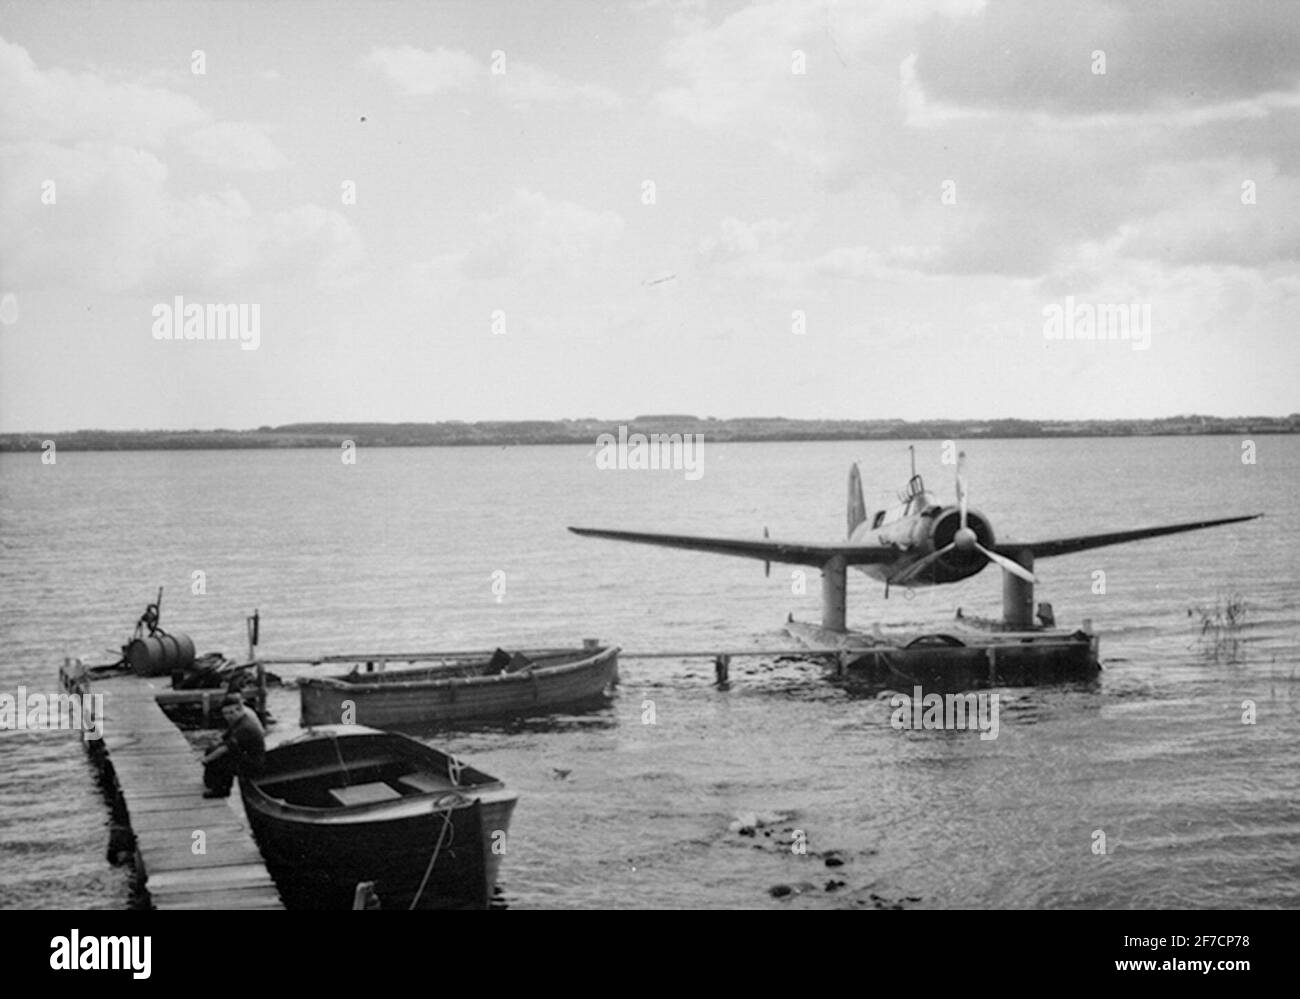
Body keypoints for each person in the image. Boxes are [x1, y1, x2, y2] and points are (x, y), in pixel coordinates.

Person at [201, 692, 266, 798]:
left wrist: (206, 760)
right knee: (213, 749)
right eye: (225, 713)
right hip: (244, 756)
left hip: (253, 764)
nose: (228, 716)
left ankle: (221, 790)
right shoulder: (238, 722)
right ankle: (211, 782)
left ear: (240, 710)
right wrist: (215, 743)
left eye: (232, 712)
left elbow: (225, 748)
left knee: (220, 757)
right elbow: (224, 738)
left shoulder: (245, 727)